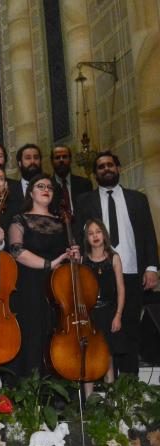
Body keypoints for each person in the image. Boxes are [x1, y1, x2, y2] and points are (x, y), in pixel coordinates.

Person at [75, 151, 158, 375]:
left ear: (118, 168)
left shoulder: (137, 199)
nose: (106, 169)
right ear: (95, 174)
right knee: (103, 330)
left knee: (130, 327)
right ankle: (105, 381)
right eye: (101, 167)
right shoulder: (85, 201)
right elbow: (78, 237)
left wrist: (151, 267)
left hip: (132, 272)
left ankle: (129, 385)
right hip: (99, 275)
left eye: (110, 165)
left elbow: (149, 234)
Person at [6, 174, 76, 379]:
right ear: (31, 192)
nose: (46, 189)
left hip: (58, 288)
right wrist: (50, 264)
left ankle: (57, 393)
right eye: (40, 186)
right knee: (33, 336)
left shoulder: (63, 222)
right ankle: (30, 394)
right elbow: (16, 251)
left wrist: (73, 255)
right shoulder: (20, 220)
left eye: (50, 187)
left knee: (55, 335)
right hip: (30, 286)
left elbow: (68, 252)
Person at [82, 218, 126, 397]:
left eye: (98, 232)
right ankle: (89, 403)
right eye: (91, 233)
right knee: (89, 358)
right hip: (89, 315)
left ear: (104, 234)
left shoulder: (114, 258)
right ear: (87, 238)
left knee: (108, 358)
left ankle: (111, 403)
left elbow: (121, 289)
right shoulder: (83, 260)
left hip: (108, 313)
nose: (95, 236)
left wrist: (118, 315)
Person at [51, 145, 92, 213]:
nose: (61, 160)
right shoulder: (47, 187)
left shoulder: (85, 184)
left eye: (64, 157)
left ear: (70, 160)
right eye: (57, 157)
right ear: (52, 161)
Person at [7, 143, 43, 212]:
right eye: (28, 158)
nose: (33, 161)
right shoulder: (10, 191)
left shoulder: (50, 187)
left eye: (36, 157)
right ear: (20, 163)